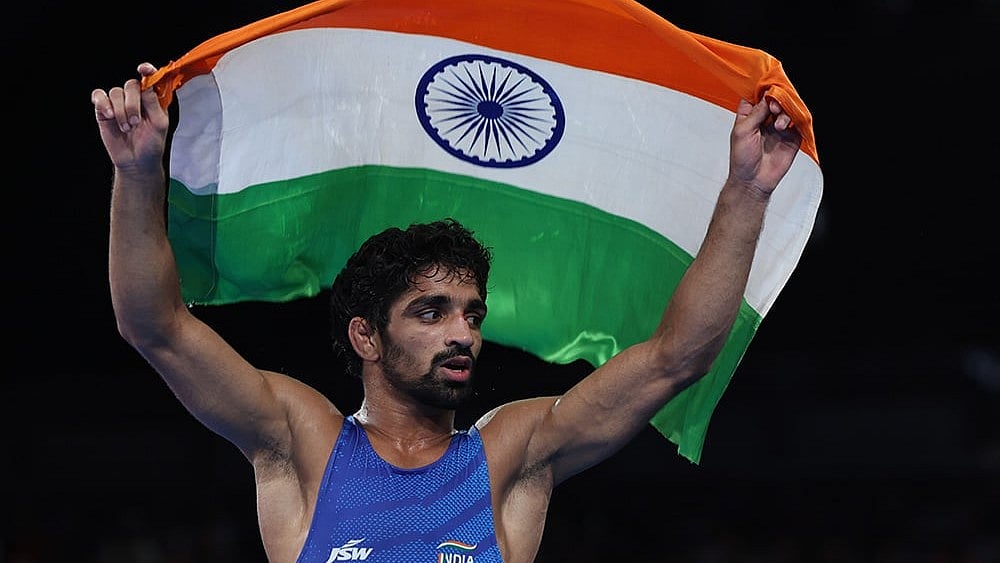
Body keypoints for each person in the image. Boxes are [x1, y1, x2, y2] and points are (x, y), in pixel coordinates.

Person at [91, 61, 802, 563]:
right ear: (366, 335)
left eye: (471, 312)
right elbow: (154, 325)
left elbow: (677, 356)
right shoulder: (299, 441)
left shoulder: (510, 456)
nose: (463, 331)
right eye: (432, 312)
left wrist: (747, 190)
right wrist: (136, 172)